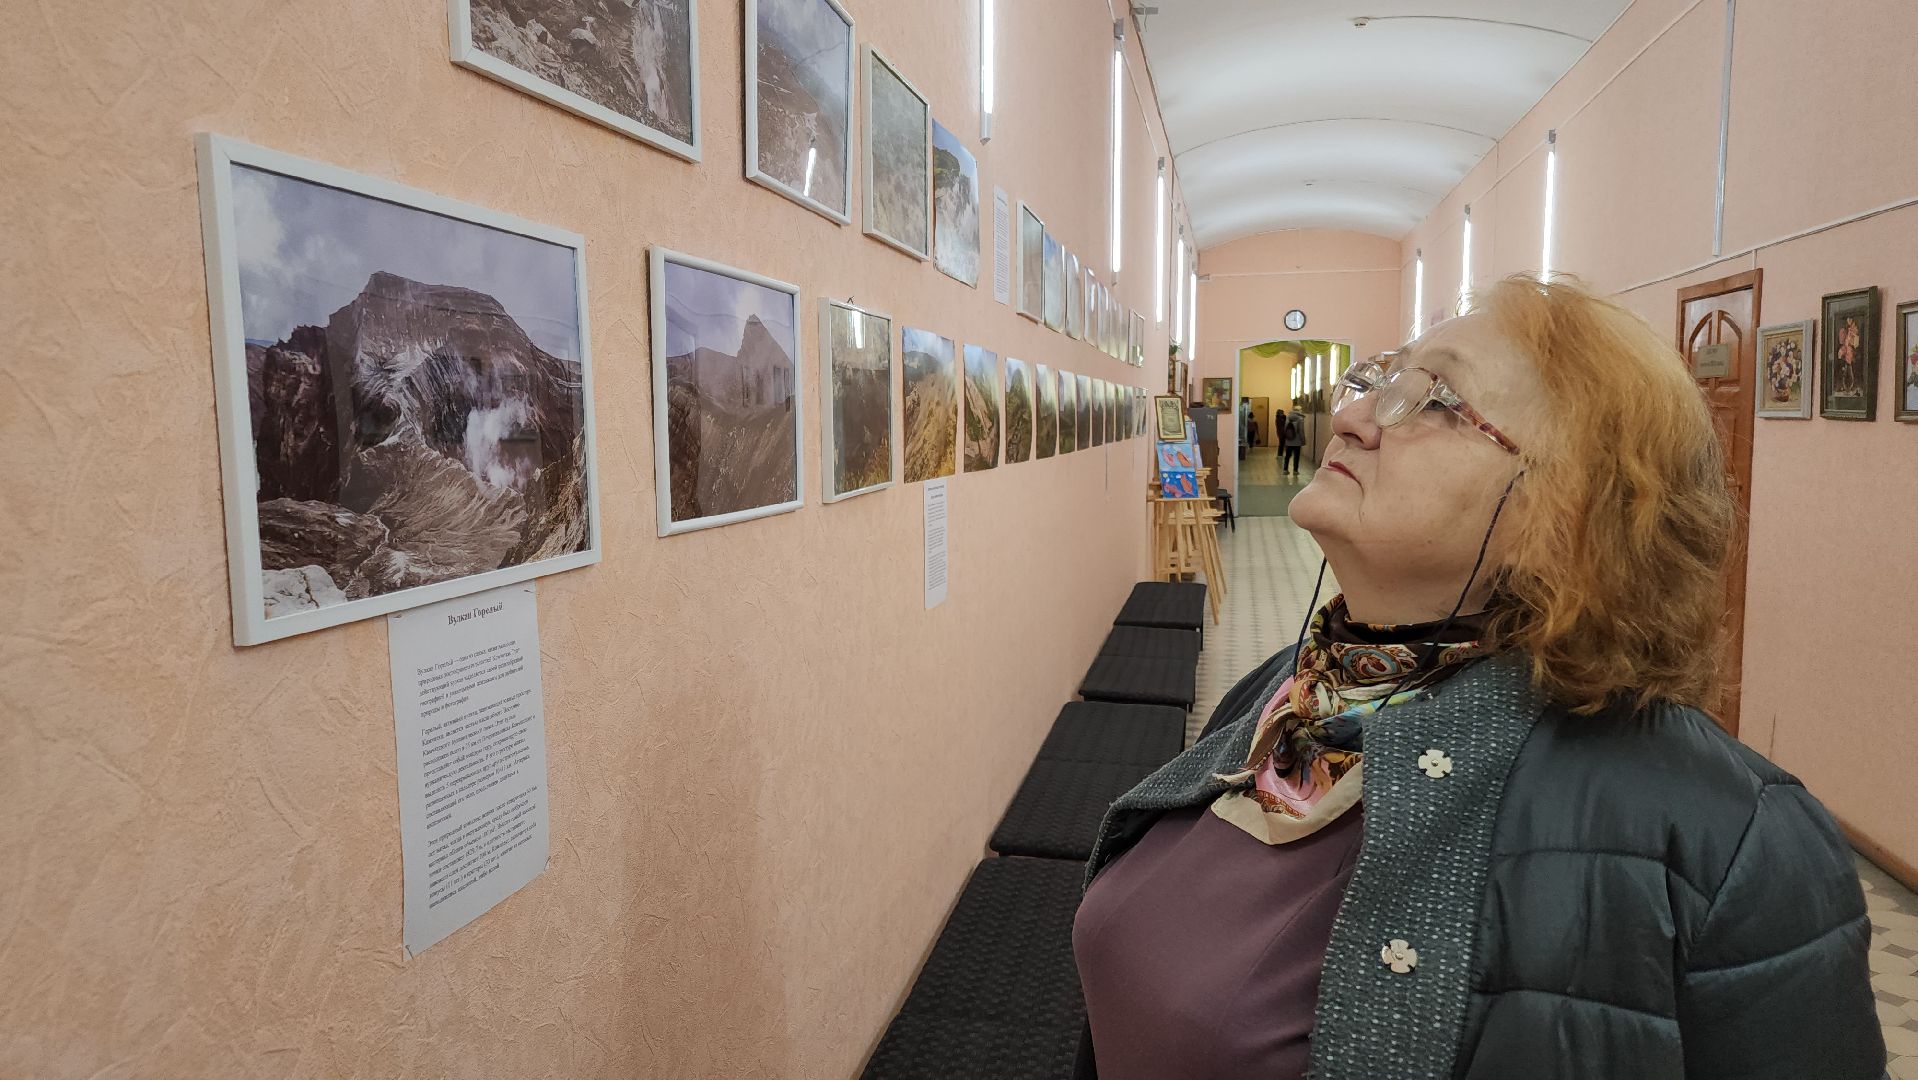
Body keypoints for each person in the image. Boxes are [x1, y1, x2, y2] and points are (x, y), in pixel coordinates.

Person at [1072, 275, 1884, 1079]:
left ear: (1568, 508)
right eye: (1380, 381)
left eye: (1431, 400)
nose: (1352, 417)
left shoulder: (1735, 839)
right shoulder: (1285, 693)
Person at [1281, 405, 1306, 476]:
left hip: (1288, 440)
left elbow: (1285, 428)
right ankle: (1295, 471)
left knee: (1287, 456)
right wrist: (1303, 440)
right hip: (1297, 441)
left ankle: (1285, 470)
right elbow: (1301, 431)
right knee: (1296, 456)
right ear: (1299, 410)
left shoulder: (1288, 418)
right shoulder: (1300, 419)